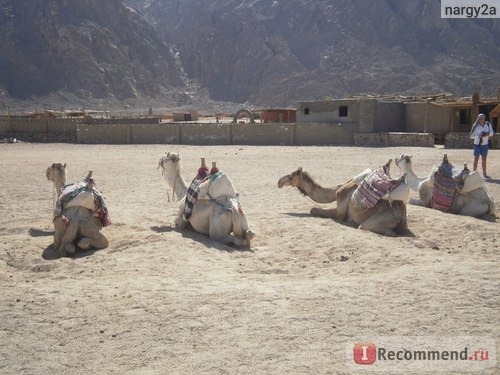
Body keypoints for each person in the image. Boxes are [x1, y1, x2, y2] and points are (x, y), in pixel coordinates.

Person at [469, 113, 494, 178]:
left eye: (482, 118)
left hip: (485, 144)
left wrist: (486, 134)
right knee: (476, 158)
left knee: (484, 159)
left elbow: (492, 133)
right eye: (480, 119)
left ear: (484, 118)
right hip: (477, 144)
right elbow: (471, 136)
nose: (481, 120)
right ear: (478, 118)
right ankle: (474, 173)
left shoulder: (488, 124)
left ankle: (484, 174)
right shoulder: (475, 126)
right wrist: (479, 136)